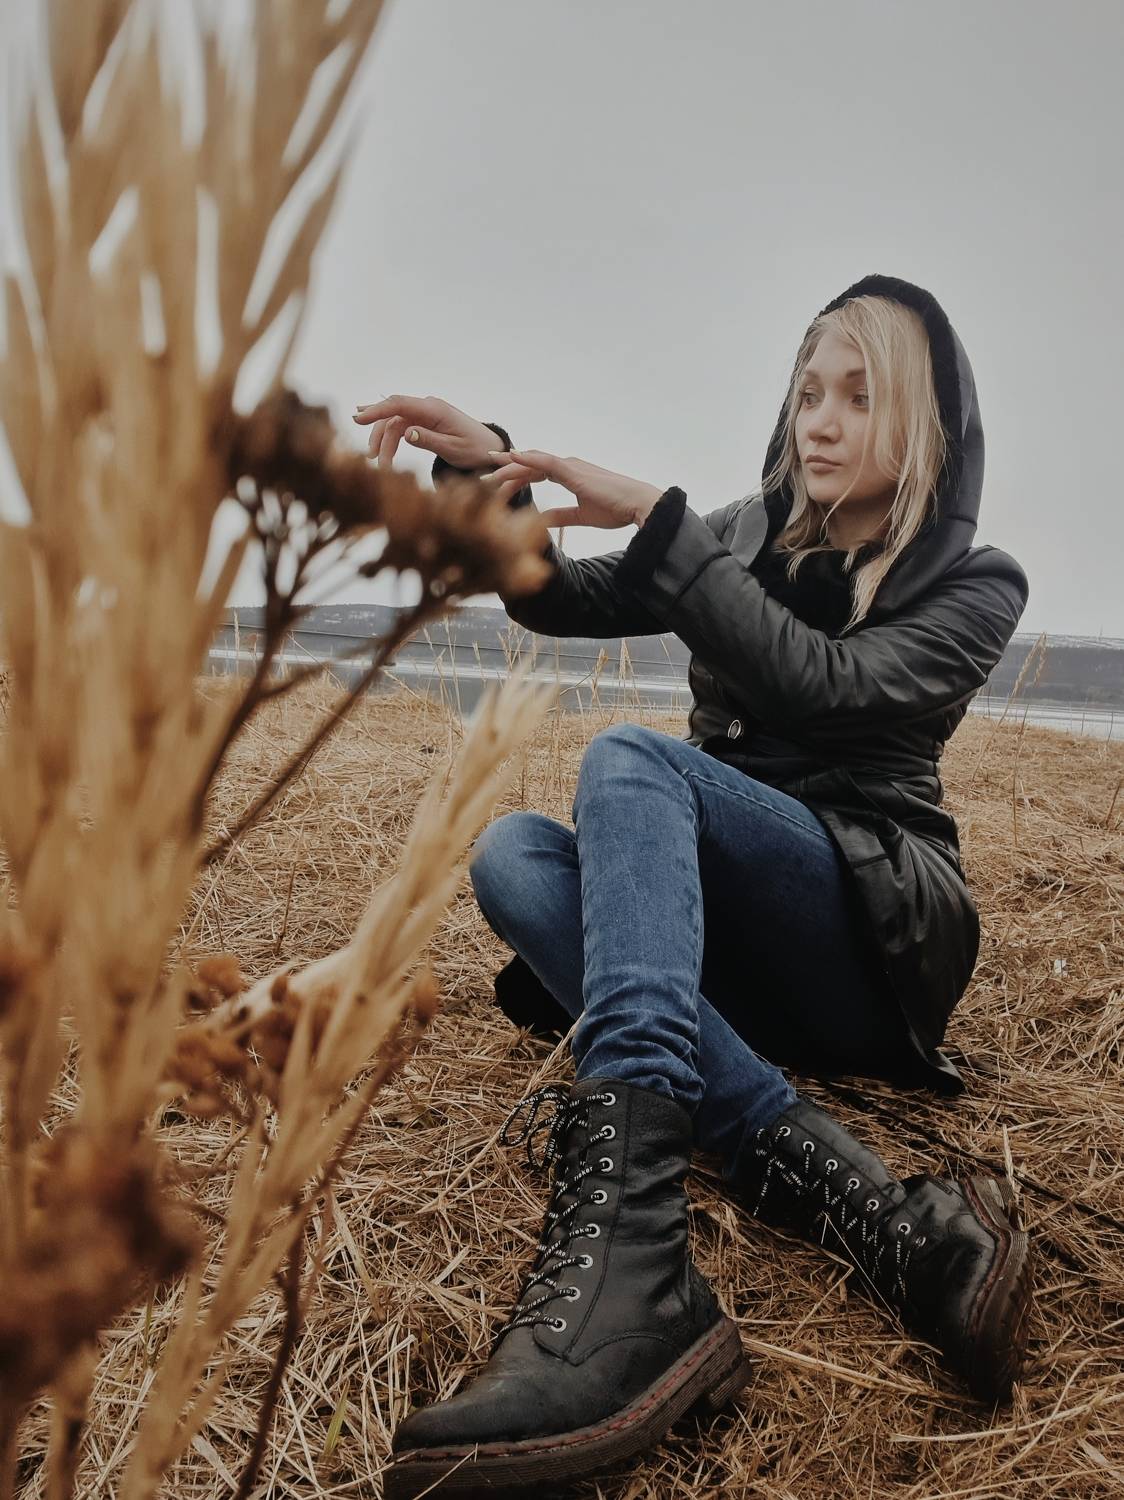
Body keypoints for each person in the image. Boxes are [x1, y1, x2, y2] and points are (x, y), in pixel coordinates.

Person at [356, 274, 1035, 1499]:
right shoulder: (743, 532)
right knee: (511, 853)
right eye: (807, 392)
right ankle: (868, 1210)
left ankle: (629, 1257)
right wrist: (487, 471)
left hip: (865, 937)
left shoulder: (975, 580)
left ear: (923, 421)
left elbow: (824, 686)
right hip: (725, 945)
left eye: (858, 397)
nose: (817, 421)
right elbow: (555, 598)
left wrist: (657, 517)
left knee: (629, 756)